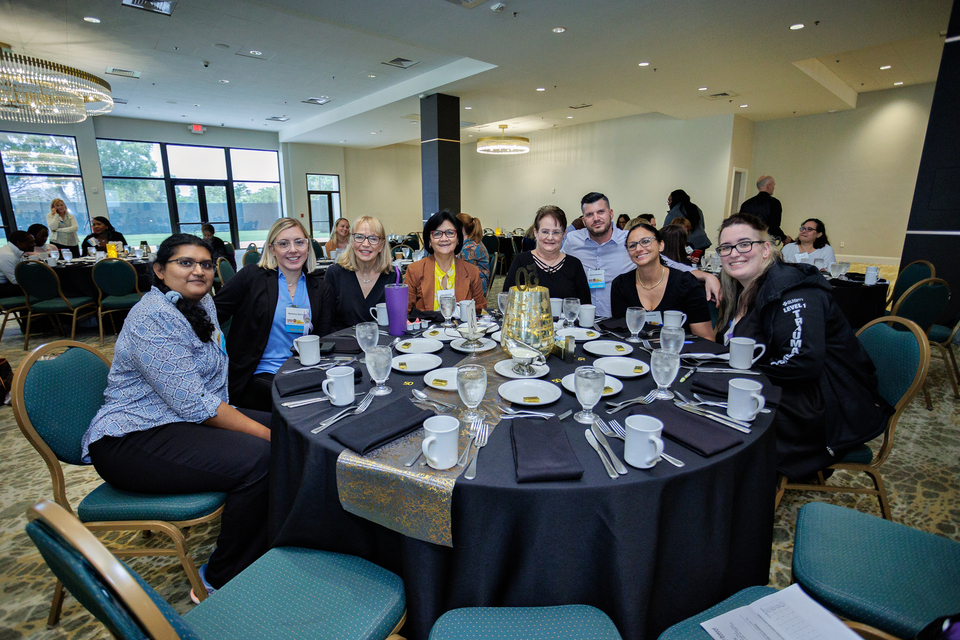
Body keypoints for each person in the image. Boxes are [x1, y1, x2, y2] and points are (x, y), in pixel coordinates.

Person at [81, 233, 272, 600]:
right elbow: (195, 404)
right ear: (159, 271)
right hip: (131, 438)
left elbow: (201, 395)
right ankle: (220, 577)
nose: (198, 271)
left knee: (288, 429)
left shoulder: (202, 302)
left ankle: (269, 541)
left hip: (179, 421)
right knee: (262, 457)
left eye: (205, 264)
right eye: (185, 263)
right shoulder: (152, 317)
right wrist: (263, 435)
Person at [715, 213, 890, 480]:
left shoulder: (793, 290)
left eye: (744, 244)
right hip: (788, 386)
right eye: (726, 247)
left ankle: (734, 485)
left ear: (766, 249)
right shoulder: (744, 290)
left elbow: (803, 361)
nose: (734, 253)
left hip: (822, 401)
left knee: (721, 409)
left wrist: (735, 374)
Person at [215, 218, 333, 412]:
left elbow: (324, 338)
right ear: (271, 249)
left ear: (308, 246)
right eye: (283, 244)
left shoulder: (319, 288)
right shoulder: (252, 277)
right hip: (258, 373)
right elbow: (211, 314)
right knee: (305, 403)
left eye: (299, 242)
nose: (293, 250)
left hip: (302, 371)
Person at [610, 223, 714, 340]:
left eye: (645, 241)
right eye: (632, 245)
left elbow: (706, 338)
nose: (638, 249)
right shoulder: (620, 285)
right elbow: (621, 335)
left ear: (661, 245)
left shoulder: (686, 284)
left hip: (681, 350)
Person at [561, 192, 633, 318]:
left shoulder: (629, 241)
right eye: (589, 214)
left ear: (611, 213)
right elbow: (556, 264)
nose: (596, 218)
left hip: (619, 322)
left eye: (600, 212)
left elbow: (659, 262)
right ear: (583, 221)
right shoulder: (573, 241)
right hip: (582, 321)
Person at [503, 206, 591, 304]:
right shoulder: (521, 261)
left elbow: (585, 305)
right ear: (536, 233)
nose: (550, 237)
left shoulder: (574, 265)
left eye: (556, 232)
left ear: (564, 234)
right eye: (545, 232)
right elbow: (507, 302)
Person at [405, 211, 486, 313]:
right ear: (429, 241)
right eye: (437, 234)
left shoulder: (472, 272)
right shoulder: (415, 271)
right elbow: (406, 311)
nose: (444, 238)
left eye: (450, 233)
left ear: (458, 239)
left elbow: (479, 311)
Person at [324, 215, 395, 329]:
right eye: (359, 237)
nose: (365, 244)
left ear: (381, 245)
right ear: (351, 241)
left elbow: (396, 320)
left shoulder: (392, 276)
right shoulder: (334, 273)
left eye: (373, 239)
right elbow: (326, 321)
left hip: (382, 339)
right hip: (342, 339)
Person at [739, 175, 791, 243]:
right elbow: (774, 228)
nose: (774, 188)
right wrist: (784, 238)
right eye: (773, 185)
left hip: (747, 240)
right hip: (764, 241)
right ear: (768, 186)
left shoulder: (746, 204)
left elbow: (741, 224)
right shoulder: (774, 203)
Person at [456, 213, 491, 294]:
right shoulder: (472, 243)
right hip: (477, 283)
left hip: (476, 288)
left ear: (460, 228)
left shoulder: (469, 249)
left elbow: (462, 273)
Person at [0, 230, 36, 297]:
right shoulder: (7, 255)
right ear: (20, 243)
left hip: (8, 283)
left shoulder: (14, 252)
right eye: (31, 242)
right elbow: (15, 281)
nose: (34, 244)